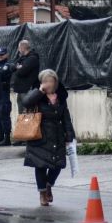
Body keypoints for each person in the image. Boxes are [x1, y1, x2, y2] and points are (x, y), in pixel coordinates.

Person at [22, 69, 75, 207]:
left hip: (57, 135)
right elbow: (26, 102)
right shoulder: (37, 95)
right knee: (40, 165)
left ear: (55, 82)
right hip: (39, 135)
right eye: (45, 81)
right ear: (41, 82)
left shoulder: (60, 96)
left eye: (50, 81)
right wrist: (39, 91)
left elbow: (66, 117)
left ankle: (48, 184)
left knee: (58, 165)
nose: (48, 84)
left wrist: (69, 135)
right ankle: (42, 193)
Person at [11, 39, 40, 115]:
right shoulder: (23, 58)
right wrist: (17, 67)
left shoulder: (32, 58)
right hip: (21, 90)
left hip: (27, 90)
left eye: (19, 48)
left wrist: (18, 68)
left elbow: (21, 72)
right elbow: (12, 67)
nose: (18, 50)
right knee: (21, 114)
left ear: (22, 48)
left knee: (28, 112)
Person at [0, 47, 13, 146]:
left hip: (4, 94)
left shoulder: (8, 65)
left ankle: (7, 138)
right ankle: (0, 137)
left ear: (6, 55)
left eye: (2, 54)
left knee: (4, 115)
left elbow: (0, 75)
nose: (0, 56)